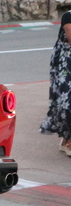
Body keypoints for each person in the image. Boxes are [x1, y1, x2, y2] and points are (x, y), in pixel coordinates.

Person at [40, 11, 71, 156]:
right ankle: (68, 138)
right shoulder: (68, 17)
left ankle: (67, 138)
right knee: (66, 103)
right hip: (66, 65)